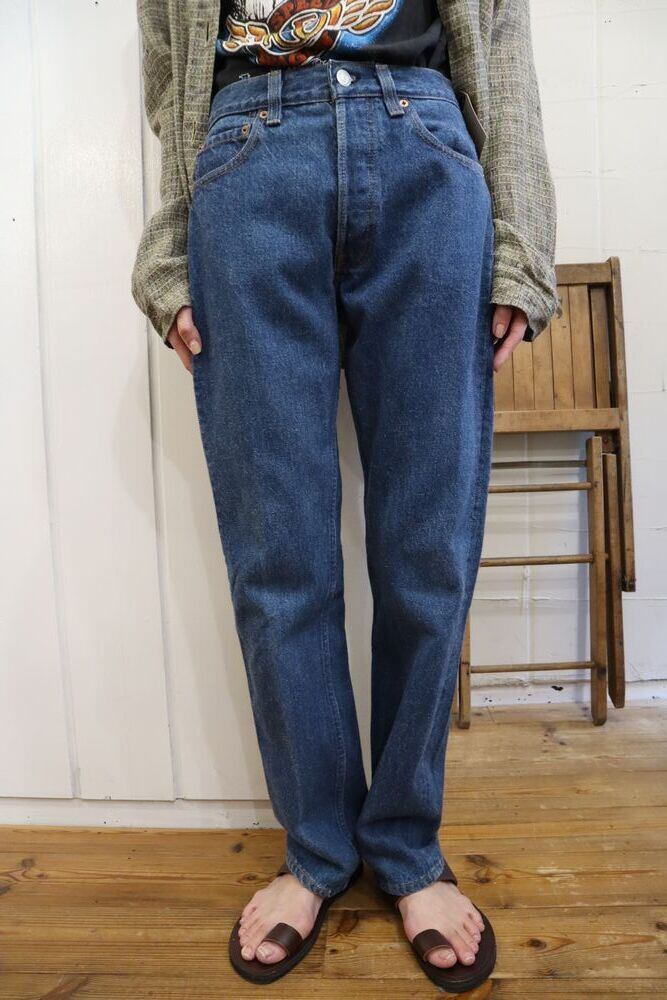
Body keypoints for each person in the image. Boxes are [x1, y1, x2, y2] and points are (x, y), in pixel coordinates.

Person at [132, 0, 559, 991]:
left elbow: (499, 42)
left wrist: (521, 242)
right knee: (277, 557)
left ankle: (406, 844)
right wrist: (168, 251)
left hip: (424, 148)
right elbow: (165, 71)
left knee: (427, 548)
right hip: (247, 159)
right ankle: (317, 846)